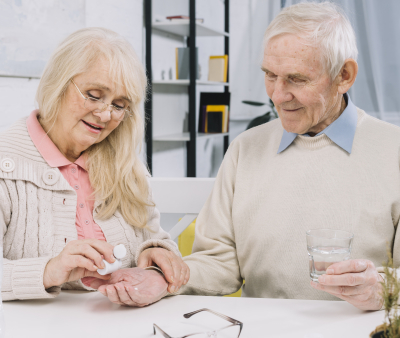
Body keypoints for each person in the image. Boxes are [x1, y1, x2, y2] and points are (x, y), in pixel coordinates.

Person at [89, 2, 400, 311]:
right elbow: (219, 261)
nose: (278, 95)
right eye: (270, 75)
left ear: (344, 75)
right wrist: (161, 279)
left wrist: (384, 287)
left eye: (297, 79)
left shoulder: (393, 150)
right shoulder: (245, 148)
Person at [0, 27, 189, 306]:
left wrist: (158, 264)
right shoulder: (7, 161)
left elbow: (156, 242)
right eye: (93, 94)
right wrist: (50, 270)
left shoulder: (125, 163)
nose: (105, 114)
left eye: (119, 104)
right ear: (58, 83)